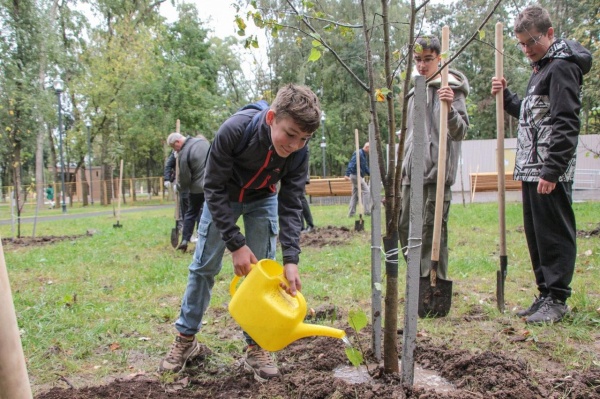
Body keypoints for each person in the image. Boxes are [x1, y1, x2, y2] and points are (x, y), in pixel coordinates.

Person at [159, 84, 321, 381]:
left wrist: (292, 259)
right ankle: (185, 340)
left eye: (304, 138)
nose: (295, 144)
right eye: (290, 134)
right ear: (272, 117)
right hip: (224, 197)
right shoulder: (234, 130)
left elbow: (291, 203)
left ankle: (255, 346)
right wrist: (235, 244)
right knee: (203, 267)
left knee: (263, 275)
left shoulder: (299, 152)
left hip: (264, 198)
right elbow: (213, 187)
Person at [491, 5, 591, 324]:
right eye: (521, 44)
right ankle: (545, 293)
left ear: (549, 33)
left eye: (531, 42)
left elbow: (565, 121)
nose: (526, 50)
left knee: (553, 232)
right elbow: (531, 115)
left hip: (549, 168)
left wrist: (552, 168)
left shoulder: (561, 66)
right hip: (531, 167)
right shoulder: (542, 67)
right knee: (537, 234)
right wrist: (506, 97)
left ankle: (558, 298)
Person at [398, 35, 470, 287]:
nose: (422, 65)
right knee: (404, 227)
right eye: (417, 60)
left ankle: (433, 287)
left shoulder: (452, 89)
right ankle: (417, 279)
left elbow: (460, 131)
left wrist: (448, 107)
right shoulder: (412, 92)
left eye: (428, 59)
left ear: (440, 59)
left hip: (435, 174)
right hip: (410, 174)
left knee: (431, 233)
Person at [166, 133, 211, 253]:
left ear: (177, 142)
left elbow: (185, 178)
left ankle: (185, 240)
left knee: (191, 213)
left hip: (197, 189)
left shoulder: (184, 154)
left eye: (174, 147)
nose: (175, 150)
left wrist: (179, 187)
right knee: (210, 213)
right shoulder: (204, 142)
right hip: (212, 186)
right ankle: (207, 240)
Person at [164, 151, 188, 234]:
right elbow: (168, 165)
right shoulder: (174, 153)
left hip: (189, 181)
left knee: (188, 204)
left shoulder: (189, 151)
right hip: (177, 180)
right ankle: (180, 225)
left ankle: (188, 226)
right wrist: (167, 179)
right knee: (179, 204)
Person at [344, 142, 371, 217]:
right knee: (367, 191)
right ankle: (367, 211)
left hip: (357, 176)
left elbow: (364, 166)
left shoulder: (363, 155)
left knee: (355, 195)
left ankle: (351, 213)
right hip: (356, 176)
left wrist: (370, 174)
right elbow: (352, 163)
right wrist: (347, 174)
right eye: (370, 149)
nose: (370, 151)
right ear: (366, 147)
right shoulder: (358, 153)